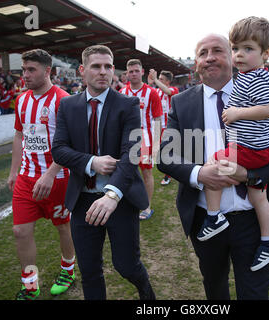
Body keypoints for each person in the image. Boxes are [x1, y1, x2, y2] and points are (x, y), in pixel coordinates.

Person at [157, 33, 269, 299]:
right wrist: (200, 173)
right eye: (203, 53)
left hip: (252, 220)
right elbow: (166, 155)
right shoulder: (181, 101)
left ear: (233, 57)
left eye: (218, 51)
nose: (210, 57)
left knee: (255, 293)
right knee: (215, 289)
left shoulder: (257, 92)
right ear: (196, 63)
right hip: (206, 219)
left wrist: (251, 175)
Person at [52, 45, 155, 300]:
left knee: (127, 266)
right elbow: (59, 150)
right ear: (82, 70)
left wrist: (112, 195)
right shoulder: (67, 105)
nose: (103, 72)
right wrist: (91, 162)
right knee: (89, 271)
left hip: (120, 199)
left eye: (108, 66)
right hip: (83, 200)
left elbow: (132, 153)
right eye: (96, 66)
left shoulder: (128, 104)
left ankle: (147, 293)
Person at [196, 17, 269, 272]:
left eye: (247, 49)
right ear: (196, 63)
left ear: (265, 53)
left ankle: (214, 217)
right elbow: (168, 156)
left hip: (254, 151)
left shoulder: (252, 78)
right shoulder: (255, 76)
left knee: (216, 161)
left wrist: (236, 113)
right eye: (236, 49)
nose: (239, 55)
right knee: (259, 196)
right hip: (257, 149)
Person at [7, 49, 76, 300]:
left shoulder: (64, 100)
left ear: (48, 71)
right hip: (26, 178)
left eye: (31, 70)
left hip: (58, 179)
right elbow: (19, 134)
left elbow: (72, 143)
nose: (25, 75)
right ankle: (30, 284)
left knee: (63, 226)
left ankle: (68, 270)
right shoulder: (22, 99)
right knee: (20, 231)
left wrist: (51, 172)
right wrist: (14, 171)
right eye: (23, 70)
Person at [119, 59, 162, 220]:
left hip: (146, 140)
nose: (134, 74)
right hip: (125, 140)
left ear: (142, 72)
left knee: (146, 173)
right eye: (131, 71)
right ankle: (126, 203)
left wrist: (157, 143)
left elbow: (158, 119)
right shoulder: (122, 92)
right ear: (127, 74)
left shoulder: (151, 92)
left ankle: (146, 206)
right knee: (124, 171)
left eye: (137, 70)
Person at [148, 69, 179, 186]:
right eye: (158, 78)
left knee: (168, 149)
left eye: (161, 79)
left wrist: (155, 80)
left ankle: (168, 175)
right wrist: (151, 83)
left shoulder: (173, 89)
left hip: (169, 126)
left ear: (167, 82)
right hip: (157, 125)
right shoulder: (156, 91)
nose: (158, 81)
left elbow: (168, 91)